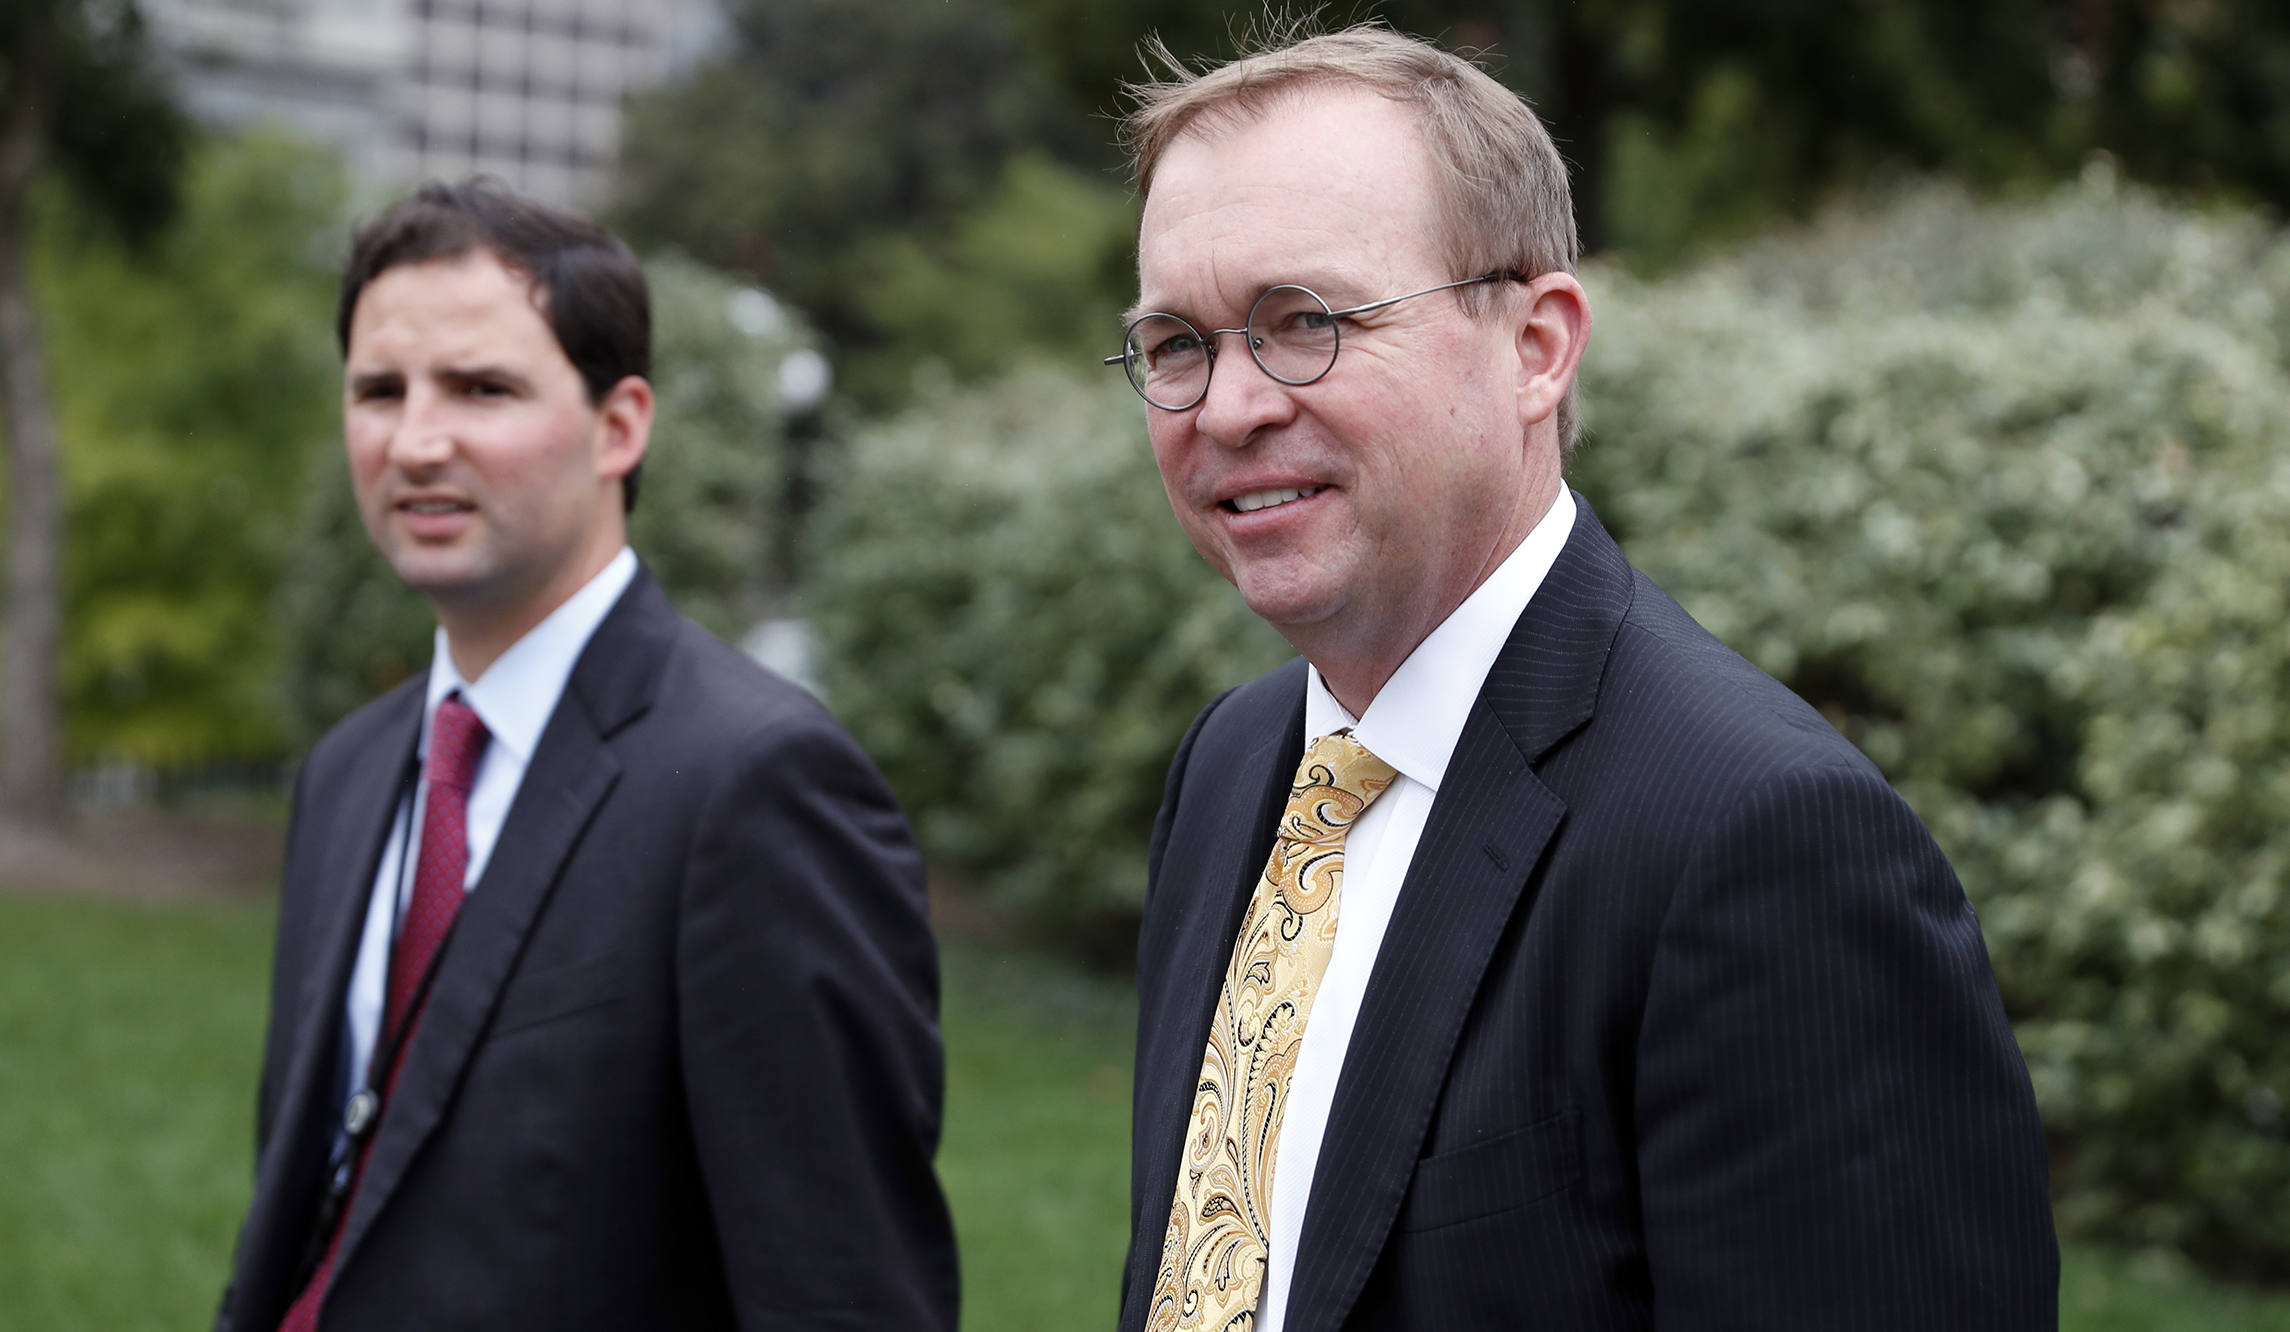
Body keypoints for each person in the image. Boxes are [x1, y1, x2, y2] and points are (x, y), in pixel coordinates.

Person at [1111, 27, 2056, 1332]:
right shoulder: (1233, 767)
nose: (1226, 408)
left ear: (1537, 347)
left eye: (1305, 323)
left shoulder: (1759, 842)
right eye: (1175, 344)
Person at [214, 182, 958, 1332]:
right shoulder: (348, 773)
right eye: (379, 391)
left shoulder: (758, 784)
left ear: (620, 427)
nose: (416, 441)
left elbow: (841, 1293)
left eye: (482, 389)